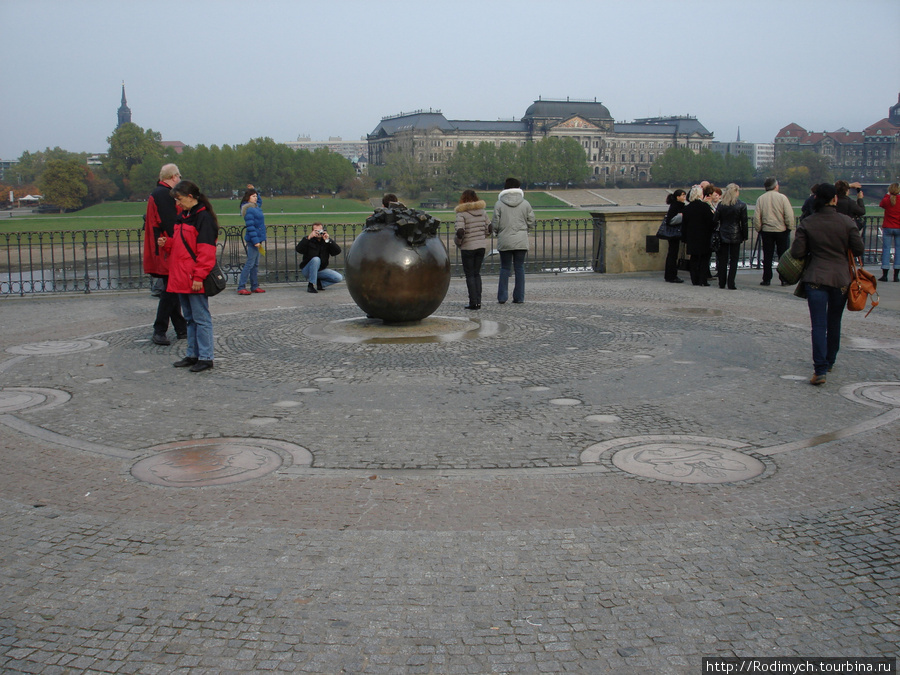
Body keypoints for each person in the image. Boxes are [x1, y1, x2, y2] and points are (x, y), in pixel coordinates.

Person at [789, 183, 864, 386]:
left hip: (816, 278)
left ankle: (820, 369)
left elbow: (797, 253)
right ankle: (830, 360)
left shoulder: (808, 223)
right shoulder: (847, 222)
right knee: (834, 322)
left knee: (818, 325)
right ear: (834, 199)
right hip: (840, 279)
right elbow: (858, 249)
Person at [157, 180, 219, 373]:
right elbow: (182, 245)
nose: (178, 204)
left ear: (190, 197)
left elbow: (206, 252)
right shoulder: (184, 215)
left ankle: (206, 357)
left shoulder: (203, 218)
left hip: (193, 277)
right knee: (191, 319)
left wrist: (199, 277)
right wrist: (167, 244)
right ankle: (193, 354)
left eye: (180, 199)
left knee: (201, 319)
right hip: (182, 275)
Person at [143, 163, 187, 346]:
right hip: (165, 249)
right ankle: (160, 329)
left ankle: (180, 328)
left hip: (162, 247)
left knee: (172, 289)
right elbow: (170, 223)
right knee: (171, 290)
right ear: (173, 177)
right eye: (178, 176)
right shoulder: (164, 195)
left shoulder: (158, 193)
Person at [491, 177, 535, 304]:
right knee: (519, 268)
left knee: (505, 268)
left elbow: (495, 223)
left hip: (505, 239)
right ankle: (519, 297)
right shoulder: (525, 203)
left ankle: (502, 296)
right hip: (521, 240)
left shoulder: (499, 204)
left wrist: (497, 232)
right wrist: (527, 229)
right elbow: (531, 220)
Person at [754, 177, 795, 286]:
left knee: (767, 255)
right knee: (782, 256)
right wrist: (789, 227)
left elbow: (757, 217)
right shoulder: (782, 198)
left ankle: (767, 278)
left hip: (767, 230)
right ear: (776, 186)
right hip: (781, 230)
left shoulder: (761, 199)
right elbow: (789, 215)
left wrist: (759, 229)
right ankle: (784, 278)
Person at [454, 189, 490, 309]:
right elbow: (487, 230)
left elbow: (460, 232)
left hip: (468, 247)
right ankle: (478, 301)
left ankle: (473, 302)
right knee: (476, 274)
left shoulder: (461, 213)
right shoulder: (483, 212)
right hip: (481, 246)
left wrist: (459, 243)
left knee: (469, 275)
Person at [713, 183, 749, 290]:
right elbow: (744, 223)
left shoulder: (721, 205)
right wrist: (745, 235)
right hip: (736, 234)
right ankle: (731, 282)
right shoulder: (741, 205)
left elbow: (715, 220)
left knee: (723, 260)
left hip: (723, 233)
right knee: (734, 260)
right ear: (736, 192)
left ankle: (722, 282)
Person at [681, 185, 715, 286]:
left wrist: (684, 238)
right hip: (704, 236)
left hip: (692, 236)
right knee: (704, 259)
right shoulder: (704, 207)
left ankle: (694, 279)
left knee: (694, 258)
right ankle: (702, 280)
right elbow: (711, 222)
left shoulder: (687, 208)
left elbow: (684, 225)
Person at [296, 222, 342, 293]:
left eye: (320, 231)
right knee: (316, 259)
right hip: (308, 269)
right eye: (316, 231)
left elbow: (337, 251)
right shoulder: (308, 241)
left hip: (320, 270)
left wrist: (328, 240)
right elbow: (299, 249)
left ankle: (319, 284)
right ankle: (311, 285)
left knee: (338, 277)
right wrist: (308, 238)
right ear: (312, 232)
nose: (318, 233)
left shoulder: (326, 242)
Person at [237, 188, 267, 295]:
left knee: (255, 264)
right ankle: (241, 286)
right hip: (254, 240)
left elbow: (259, 201)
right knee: (250, 263)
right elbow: (250, 227)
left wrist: (254, 190)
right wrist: (255, 241)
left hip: (258, 239)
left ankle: (255, 285)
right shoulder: (249, 209)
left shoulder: (255, 207)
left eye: (256, 196)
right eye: (253, 196)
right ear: (248, 198)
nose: (256, 198)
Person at [663, 189, 687, 283]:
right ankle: (671, 275)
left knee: (672, 254)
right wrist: (682, 215)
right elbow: (670, 220)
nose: (684, 197)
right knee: (672, 254)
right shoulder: (676, 206)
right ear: (678, 197)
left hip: (674, 234)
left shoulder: (677, 205)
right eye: (682, 195)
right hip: (674, 234)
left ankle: (670, 275)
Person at [878, 183, 900, 282]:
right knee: (898, 250)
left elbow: (881, 204)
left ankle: (885, 274)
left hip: (888, 226)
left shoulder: (887, 200)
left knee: (886, 249)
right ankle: (896, 275)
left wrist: (887, 194)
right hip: (898, 227)